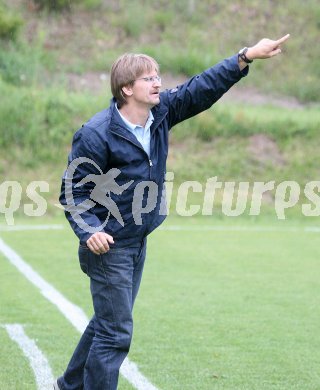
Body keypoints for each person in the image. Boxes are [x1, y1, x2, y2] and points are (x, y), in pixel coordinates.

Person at [55, 34, 290, 390]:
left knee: (108, 323)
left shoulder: (160, 113)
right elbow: (73, 190)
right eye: (148, 78)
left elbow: (200, 89)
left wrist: (245, 57)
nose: (157, 83)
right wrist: (90, 231)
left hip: (136, 239)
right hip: (107, 246)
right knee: (115, 332)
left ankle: (68, 386)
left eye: (157, 76)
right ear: (126, 89)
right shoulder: (96, 134)